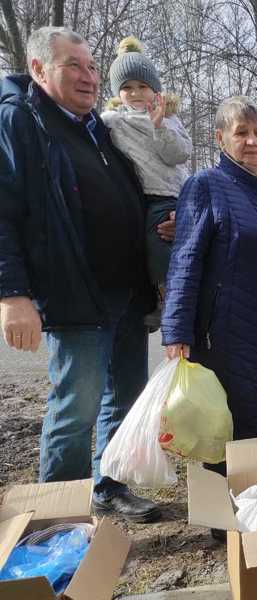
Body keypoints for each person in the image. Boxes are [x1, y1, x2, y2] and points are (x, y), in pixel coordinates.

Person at [0, 27, 165, 522]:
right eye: (73, 65)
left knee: (125, 399)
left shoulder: (97, 127)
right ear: (38, 70)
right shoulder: (21, 121)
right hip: (75, 295)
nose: (89, 76)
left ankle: (107, 487)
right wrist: (12, 294)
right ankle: (60, 516)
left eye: (92, 67)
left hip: (126, 296)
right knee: (76, 411)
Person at [162, 96, 257, 449]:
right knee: (226, 426)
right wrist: (176, 331)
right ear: (220, 138)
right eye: (241, 132)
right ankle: (223, 498)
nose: (252, 141)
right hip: (224, 334)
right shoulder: (204, 186)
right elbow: (185, 259)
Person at [101, 36, 192, 328]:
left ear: (155, 90)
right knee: (140, 245)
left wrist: (159, 126)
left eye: (142, 86)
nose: (135, 93)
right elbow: (92, 124)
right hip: (141, 197)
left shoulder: (169, 118)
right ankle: (155, 295)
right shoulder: (114, 120)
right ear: (117, 92)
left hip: (169, 194)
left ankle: (170, 299)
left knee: (159, 241)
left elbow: (179, 154)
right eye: (127, 87)